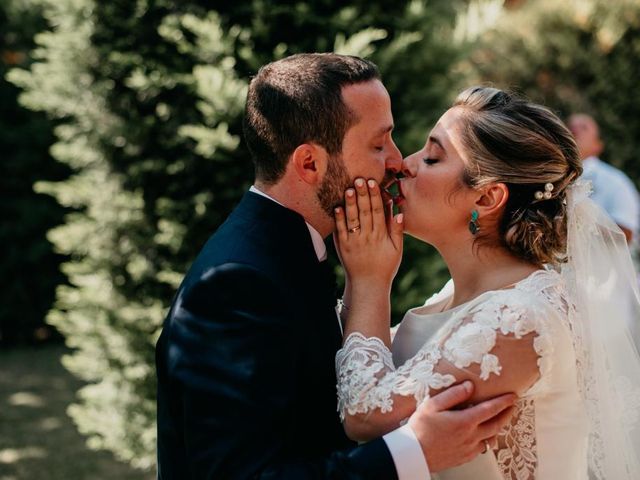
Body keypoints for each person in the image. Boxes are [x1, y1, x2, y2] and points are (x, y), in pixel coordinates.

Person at [154, 54, 516, 479]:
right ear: (310, 164)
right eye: (378, 145)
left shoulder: (295, 247)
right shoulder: (237, 284)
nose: (398, 162)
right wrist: (412, 452)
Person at [333, 86, 640, 479]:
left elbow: (365, 412)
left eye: (432, 157)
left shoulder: (522, 318)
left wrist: (369, 279)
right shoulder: (461, 296)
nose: (404, 165)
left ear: (487, 198)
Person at [567, 113, 640, 244]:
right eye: (570, 126)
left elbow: (627, 233)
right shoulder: (548, 174)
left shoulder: (616, 181)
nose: (574, 129)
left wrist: (579, 222)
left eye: (584, 127)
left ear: (598, 145)